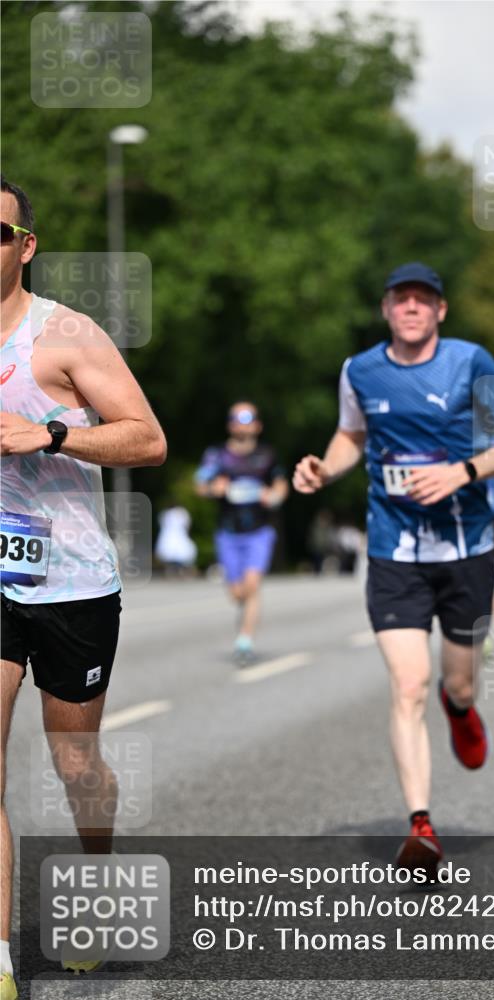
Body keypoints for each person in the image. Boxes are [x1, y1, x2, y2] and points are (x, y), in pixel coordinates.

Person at [293, 261, 494, 874]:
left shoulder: (470, 361)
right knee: (407, 685)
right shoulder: (360, 370)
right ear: (386, 309)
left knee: (456, 683)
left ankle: (461, 711)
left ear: (440, 311)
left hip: (465, 548)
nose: (411, 308)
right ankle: (421, 826)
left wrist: (464, 471)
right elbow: (352, 434)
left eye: (423, 299)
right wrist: (324, 467)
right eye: (401, 298)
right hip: (394, 550)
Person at [0, 176, 167, 997]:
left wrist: (53, 433)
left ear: (24, 246)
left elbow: (147, 439)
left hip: (68, 581)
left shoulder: (66, 336)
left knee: (75, 763)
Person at [195, 402, 288, 664]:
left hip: (259, 531)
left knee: (252, 585)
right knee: (237, 593)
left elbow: (281, 485)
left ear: (258, 425)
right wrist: (214, 489)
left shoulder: (267, 455)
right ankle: (244, 613)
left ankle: (245, 641)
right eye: (237, 418)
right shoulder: (217, 456)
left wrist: (274, 496)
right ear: (230, 424)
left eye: (248, 419)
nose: (243, 424)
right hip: (228, 532)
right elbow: (200, 486)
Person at [154, 504, 197, 577]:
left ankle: (175, 569)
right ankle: (175, 569)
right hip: (174, 535)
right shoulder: (179, 513)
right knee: (177, 552)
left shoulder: (167, 513)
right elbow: (187, 524)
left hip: (172, 535)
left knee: (175, 552)